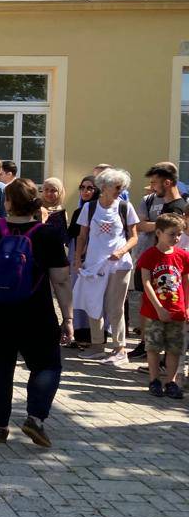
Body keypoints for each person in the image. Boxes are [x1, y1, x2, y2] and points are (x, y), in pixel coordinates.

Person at [0, 178, 73, 447]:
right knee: (47, 364)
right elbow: (60, 279)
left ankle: (0, 426)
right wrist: (68, 317)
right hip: (36, 312)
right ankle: (35, 418)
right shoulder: (47, 234)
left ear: (8, 202)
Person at [73, 167, 139, 364]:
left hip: (119, 265)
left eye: (122, 186)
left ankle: (120, 349)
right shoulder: (89, 208)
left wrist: (122, 250)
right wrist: (78, 259)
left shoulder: (125, 207)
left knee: (115, 306)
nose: (120, 189)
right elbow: (82, 235)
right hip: (94, 264)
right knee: (93, 303)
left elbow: (134, 236)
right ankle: (97, 346)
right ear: (104, 186)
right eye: (117, 186)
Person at [137, 213, 189, 399]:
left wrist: (187, 306)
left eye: (179, 234)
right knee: (153, 347)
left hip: (177, 310)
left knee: (174, 348)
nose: (176, 238)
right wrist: (159, 307)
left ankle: (171, 381)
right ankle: (154, 380)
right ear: (158, 232)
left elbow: (185, 282)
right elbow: (146, 282)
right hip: (154, 311)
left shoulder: (182, 256)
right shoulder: (149, 255)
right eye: (172, 234)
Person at [66, 175, 99, 347]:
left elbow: (88, 236)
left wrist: (82, 254)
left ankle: (89, 336)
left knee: (88, 294)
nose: (85, 191)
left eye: (90, 188)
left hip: (88, 257)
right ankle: (78, 333)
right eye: (82, 187)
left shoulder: (96, 209)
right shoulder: (79, 210)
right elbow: (72, 235)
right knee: (75, 293)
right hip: (75, 255)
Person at [40, 177, 68, 243]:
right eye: (46, 189)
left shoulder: (61, 212)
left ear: (59, 193)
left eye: (53, 190)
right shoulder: (35, 209)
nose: (49, 193)